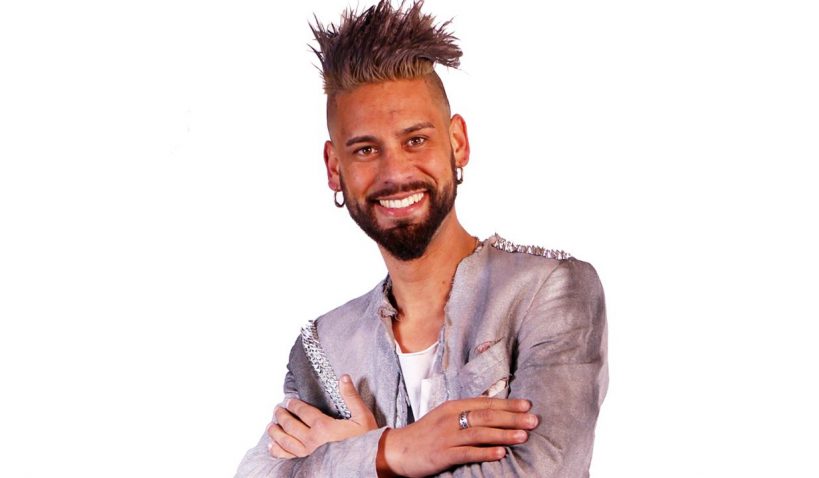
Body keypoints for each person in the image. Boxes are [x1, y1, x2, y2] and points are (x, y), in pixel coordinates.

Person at [235, 1, 607, 476]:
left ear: (457, 143)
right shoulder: (324, 346)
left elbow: (539, 472)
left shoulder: (548, 292)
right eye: (365, 149)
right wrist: (394, 450)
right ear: (334, 168)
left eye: (415, 140)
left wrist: (353, 457)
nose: (395, 173)